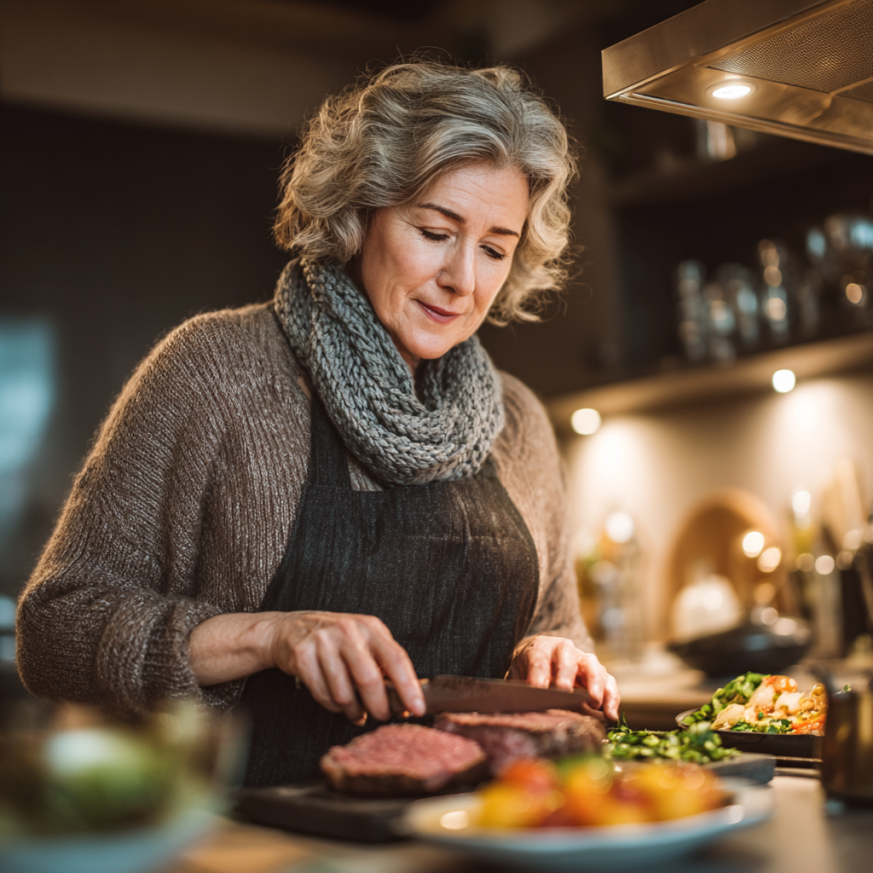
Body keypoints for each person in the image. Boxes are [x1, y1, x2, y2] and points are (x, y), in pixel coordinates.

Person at [17, 60, 619, 786]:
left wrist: (553, 653)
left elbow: (557, 626)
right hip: (254, 845)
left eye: (495, 248)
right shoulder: (215, 370)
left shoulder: (517, 421)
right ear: (358, 214)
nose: (464, 278)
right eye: (435, 231)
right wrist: (270, 635)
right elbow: (54, 630)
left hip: (477, 833)